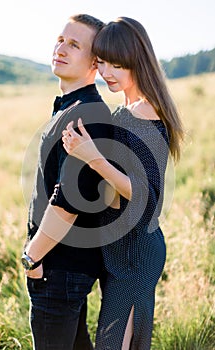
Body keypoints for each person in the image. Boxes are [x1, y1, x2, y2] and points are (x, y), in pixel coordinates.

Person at [62, 17, 184, 349]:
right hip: (121, 249)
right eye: (101, 63)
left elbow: (146, 195)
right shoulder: (129, 107)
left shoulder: (144, 111)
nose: (107, 73)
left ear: (138, 60)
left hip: (134, 254)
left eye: (118, 65)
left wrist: (93, 158)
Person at [21, 14, 112, 350]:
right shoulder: (70, 107)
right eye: (61, 39)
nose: (61, 48)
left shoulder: (86, 114)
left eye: (74, 44)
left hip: (59, 266)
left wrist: (32, 256)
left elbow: (69, 201)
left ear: (95, 63)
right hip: (61, 265)